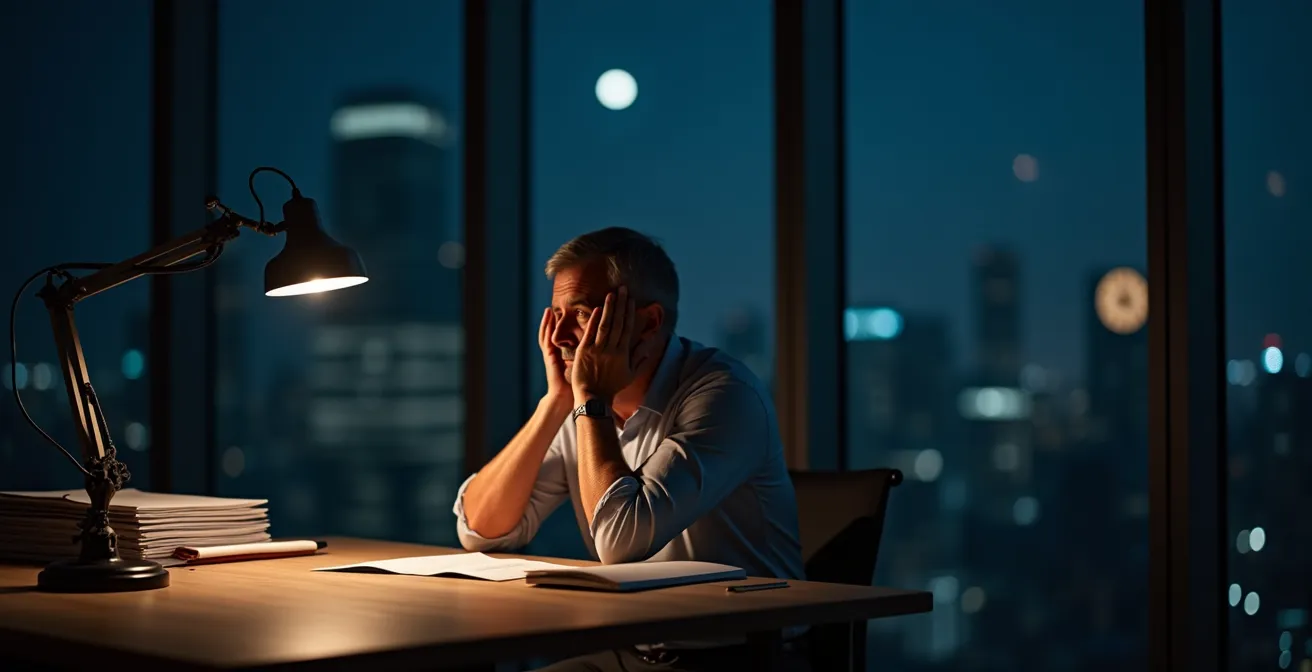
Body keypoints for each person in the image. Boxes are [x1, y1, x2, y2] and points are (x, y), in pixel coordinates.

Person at [453, 227, 808, 671]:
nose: (560, 336)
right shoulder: (581, 406)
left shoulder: (725, 396)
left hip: (740, 656)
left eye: (580, 315)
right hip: (633, 649)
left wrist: (590, 402)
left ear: (649, 322)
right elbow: (481, 528)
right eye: (555, 315)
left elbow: (621, 543)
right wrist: (555, 403)